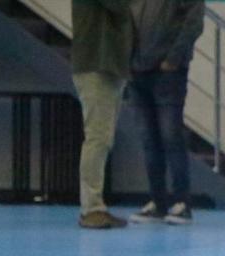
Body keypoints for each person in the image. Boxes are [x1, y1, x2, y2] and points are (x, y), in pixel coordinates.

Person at [127, 0, 204, 225]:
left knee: (171, 136)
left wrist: (174, 58)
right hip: (137, 71)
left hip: (167, 72)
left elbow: (194, 21)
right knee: (149, 140)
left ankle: (182, 202)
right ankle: (158, 201)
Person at [71, 0, 132, 229]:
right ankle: (91, 208)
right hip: (96, 65)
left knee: (103, 138)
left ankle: (96, 205)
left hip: (109, 65)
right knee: (97, 137)